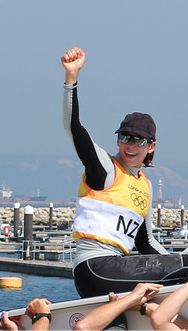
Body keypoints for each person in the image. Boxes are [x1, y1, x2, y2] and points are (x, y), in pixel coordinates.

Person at [60, 47, 174, 297]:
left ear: (151, 146)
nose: (130, 145)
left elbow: (146, 243)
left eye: (138, 140)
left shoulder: (145, 186)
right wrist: (72, 78)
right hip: (94, 268)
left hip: (112, 274)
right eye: (125, 137)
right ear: (118, 140)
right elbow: (73, 127)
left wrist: (178, 261)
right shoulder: (106, 168)